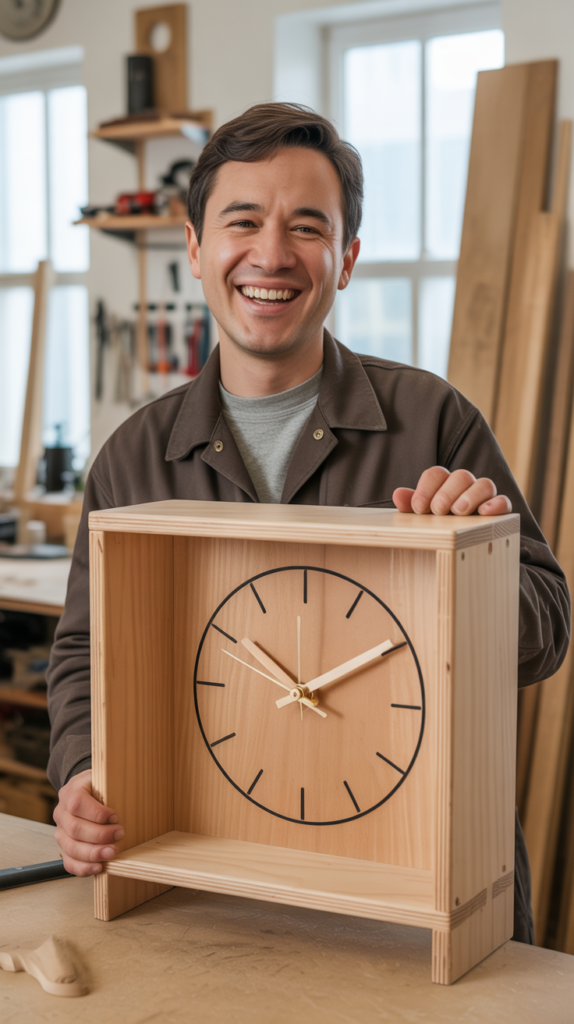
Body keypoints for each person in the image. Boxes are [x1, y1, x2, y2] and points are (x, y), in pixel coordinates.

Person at [47, 103, 569, 944]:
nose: (271, 254)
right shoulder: (132, 456)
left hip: (415, 900)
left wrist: (476, 559)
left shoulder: (434, 420)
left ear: (347, 258)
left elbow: (548, 632)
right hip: (204, 893)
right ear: (194, 248)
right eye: (243, 221)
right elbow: (82, 651)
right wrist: (78, 772)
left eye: (306, 227)